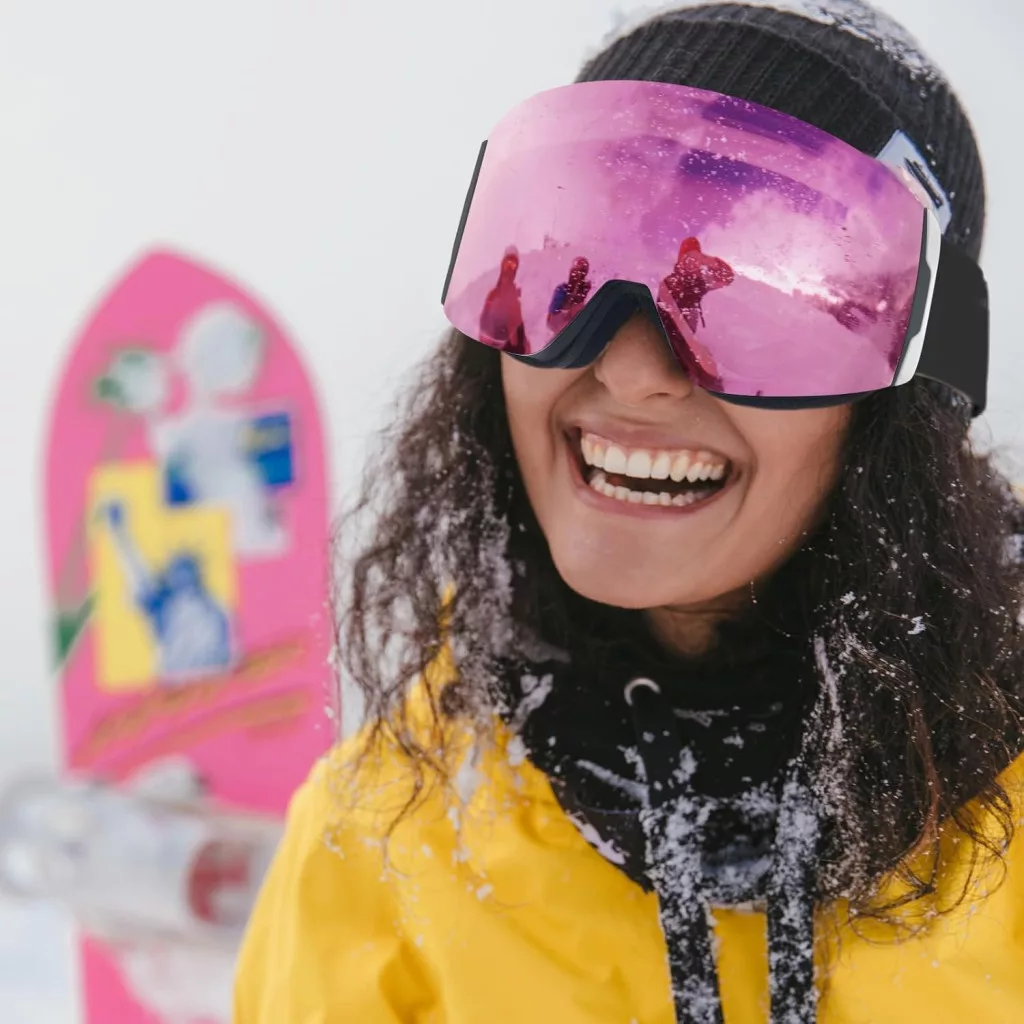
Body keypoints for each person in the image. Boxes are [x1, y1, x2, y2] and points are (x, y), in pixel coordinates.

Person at [234, 4, 1024, 1023]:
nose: (630, 369)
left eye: (753, 303)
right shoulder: (389, 841)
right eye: (567, 275)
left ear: (910, 400)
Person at [656, 236, 735, 391]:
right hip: (669, 335)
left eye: (696, 259)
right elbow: (670, 313)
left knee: (704, 367)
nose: (692, 263)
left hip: (686, 335)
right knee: (696, 369)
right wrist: (692, 344)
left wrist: (708, 260)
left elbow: (727, 277)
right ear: (680, 261)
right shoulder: (670, 282)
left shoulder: (699, 282)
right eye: (687, 258)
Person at [479, 245, 529, 354]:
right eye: (508, 264)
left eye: (513, 265)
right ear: (502, 265)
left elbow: (520, 329)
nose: (510, 268)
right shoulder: (494, 294)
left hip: (514, 351)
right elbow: (484, 324)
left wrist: (525, 346)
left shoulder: (515, 298)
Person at [548, 256, 594, 334]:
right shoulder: (562, 289)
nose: (578, 274)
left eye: (582, 271)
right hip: (558, 322)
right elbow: (552, 318)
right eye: (575, 271)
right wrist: (573, 295)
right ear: (571, 271)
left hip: (573, 324)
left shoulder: (584, 289)